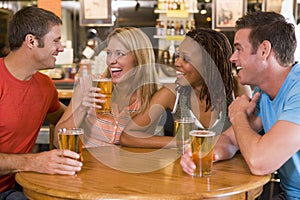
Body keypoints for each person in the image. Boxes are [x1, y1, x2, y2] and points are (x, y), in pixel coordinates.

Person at [180, 11, 300, 199]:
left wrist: (237, 116)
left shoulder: (298, 92)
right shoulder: (264, 94)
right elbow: (230, 140)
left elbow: (259, 162)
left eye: (239, 49)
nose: (232, 58)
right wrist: (204, 154)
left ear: (264, 51)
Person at [0, 7, 82, 199]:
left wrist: (82, 100)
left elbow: (64, 121)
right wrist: (33, 162)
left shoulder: (45, 86)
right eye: (56, 41)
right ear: (31, 41)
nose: (61, 48)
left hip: (17, 187)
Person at [120, 27, 247, 148]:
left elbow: (249, 135)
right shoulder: (172, 93)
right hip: (187, 168)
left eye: (185, 59)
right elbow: (128, 136)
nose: (176, 63)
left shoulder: (237, 89)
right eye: (178, 56)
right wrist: (181, 142)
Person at [54, 27, 159, 147]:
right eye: (109, 53)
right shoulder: (88, 84)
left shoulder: (150, 97)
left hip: (127, 164)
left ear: (139, 58)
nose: (110, 61)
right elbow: (57, 141)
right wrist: (82, 108)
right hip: (88, 163)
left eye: (120, 53)